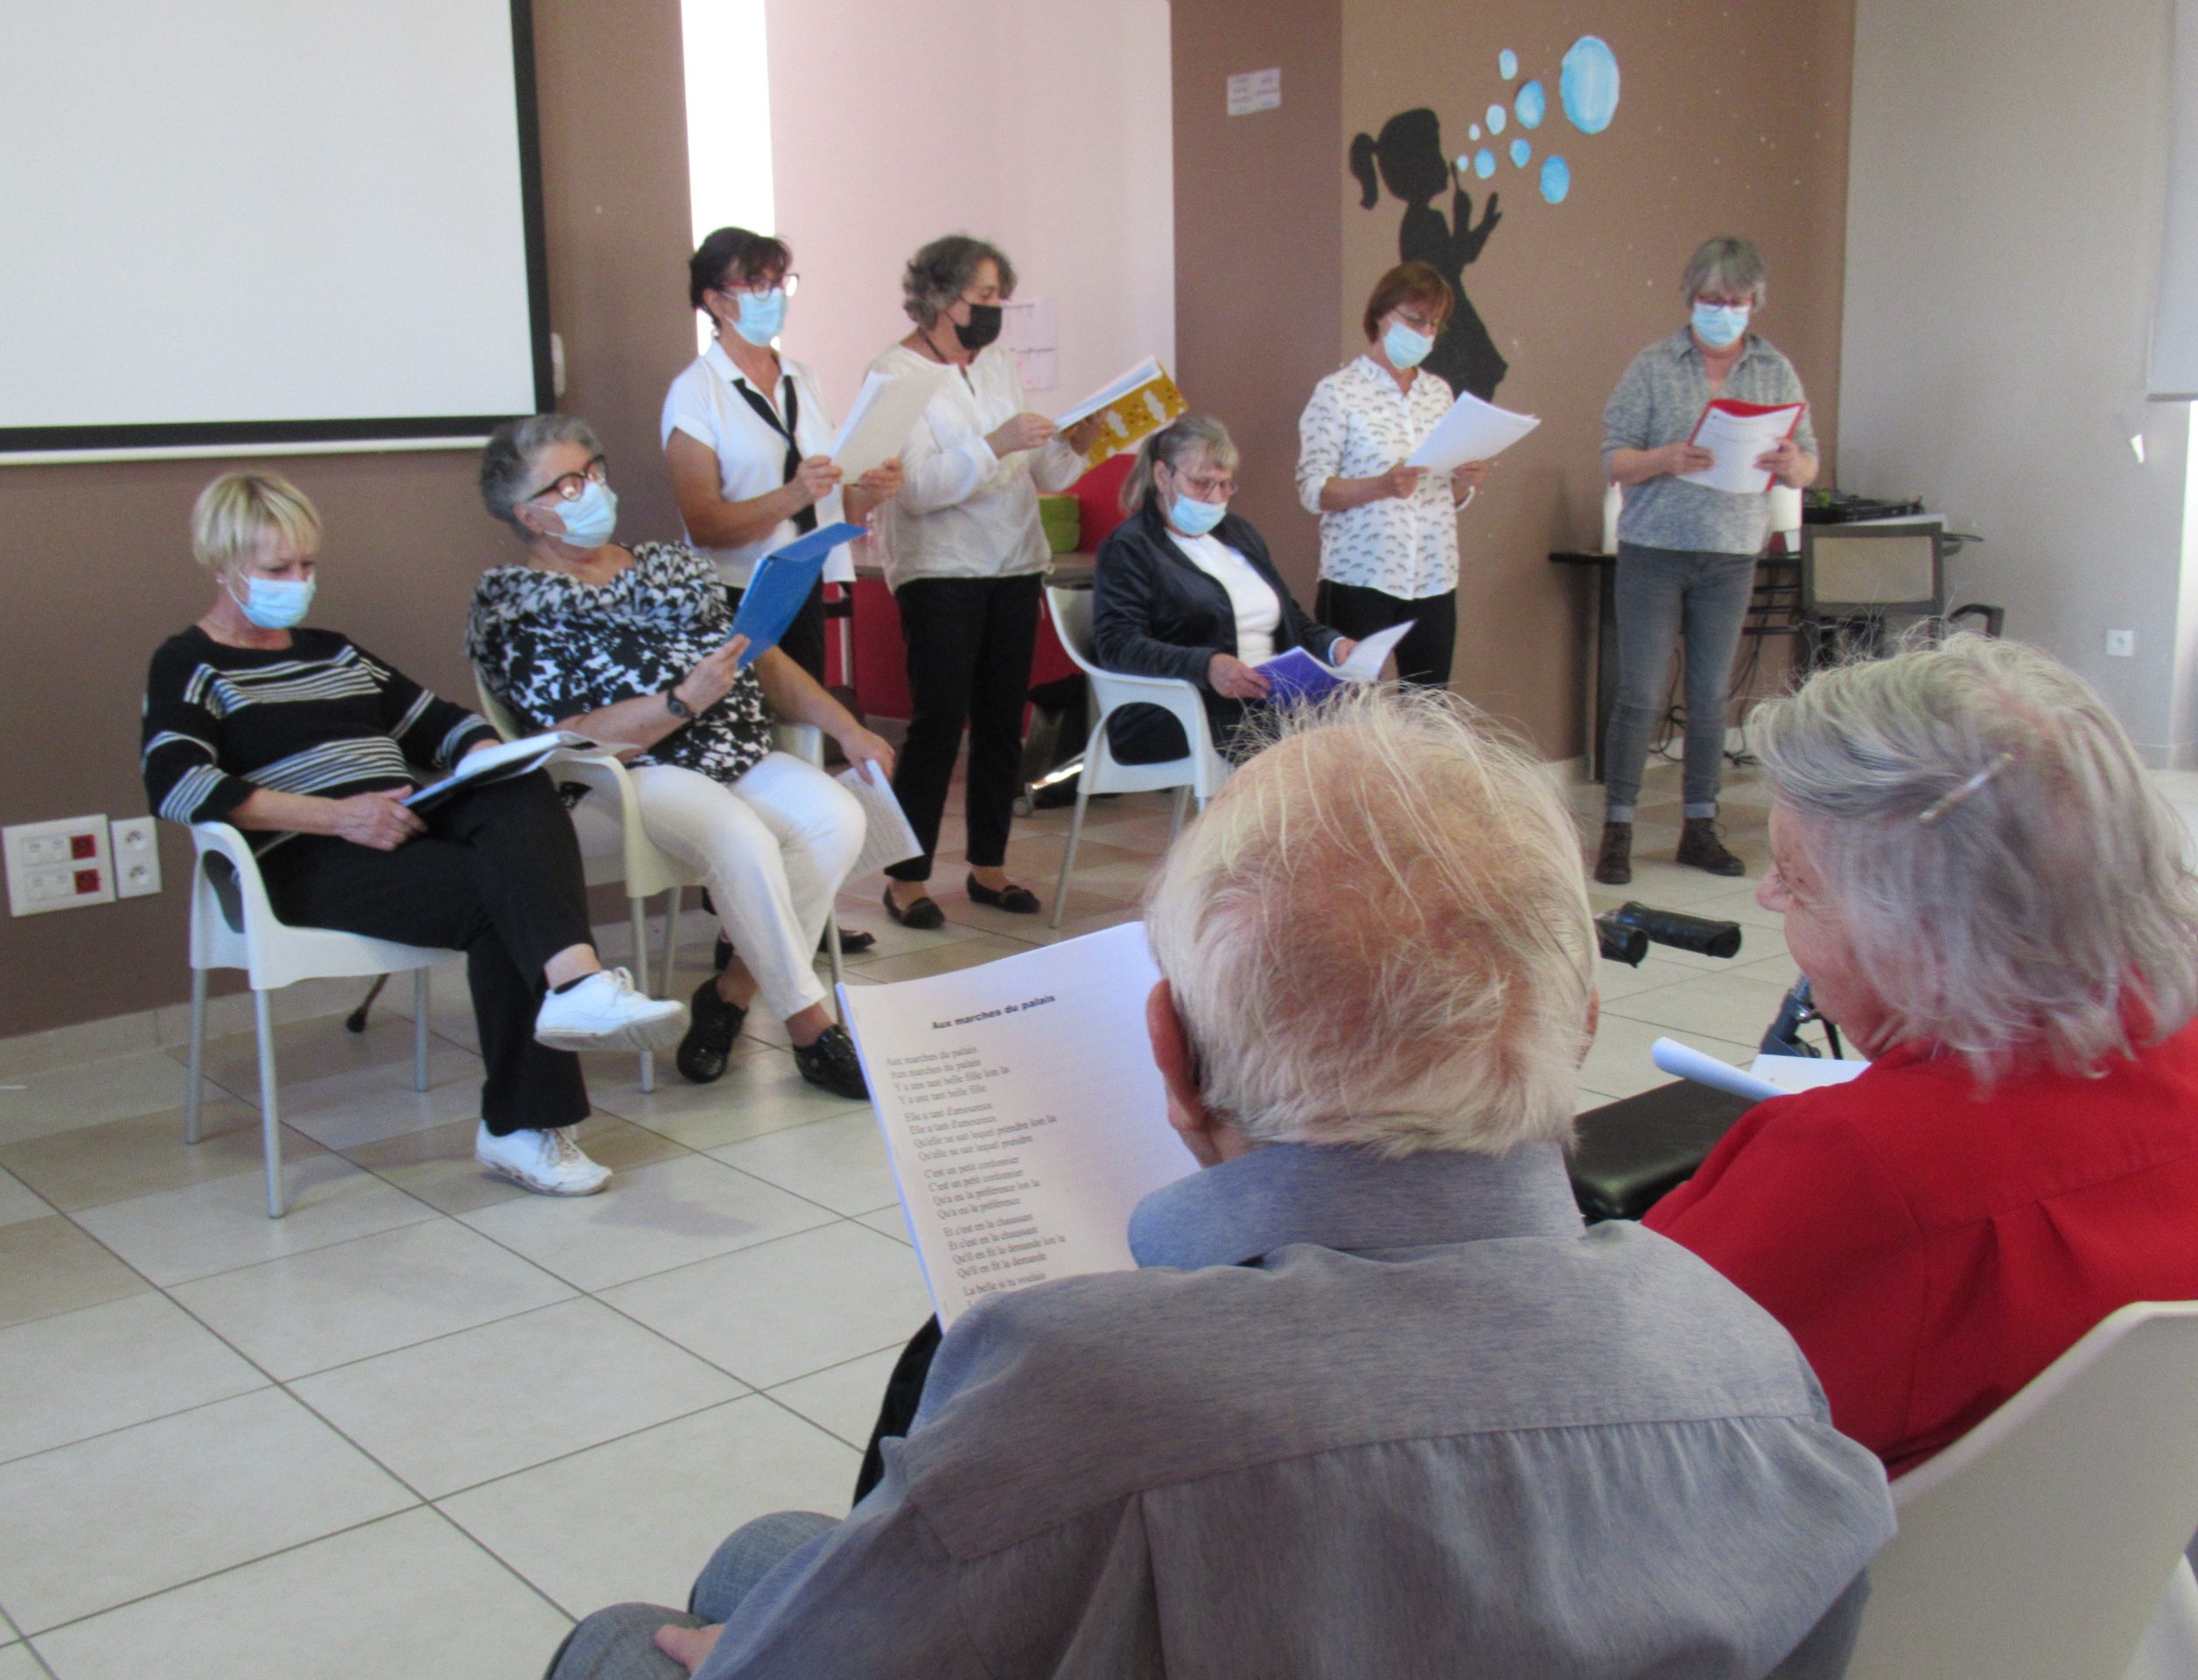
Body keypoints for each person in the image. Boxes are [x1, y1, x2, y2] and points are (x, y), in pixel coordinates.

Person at [542, 689, 1894, 1680]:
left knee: (633, 1634)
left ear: (1172, 1062)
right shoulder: (1756, 1374)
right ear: (1577, 1026)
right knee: (769, 1555)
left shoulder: (1078, 1395)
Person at [1645, 635, 2198, 1478]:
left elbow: (1618, 1405)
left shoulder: (1858, 1168)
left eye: (1796, 880)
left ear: (1921, 932)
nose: (1767, 894)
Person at [143, 471, 685, 1198]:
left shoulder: (333, 651)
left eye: (306, 565)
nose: (297, 584)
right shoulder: (189, 664)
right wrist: (341, 816)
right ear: (223, 565)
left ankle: (576, 986)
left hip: (401, 819)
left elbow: (441, 723)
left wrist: (485, 753)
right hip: (305, 855)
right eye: (276, 570)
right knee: (504, 898)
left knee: (519, 781)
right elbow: (176, 785)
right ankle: (523, 1125)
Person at [467, 415, 891, 1102]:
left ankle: (729, 994)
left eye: (594, 472)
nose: (593, 490)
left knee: (837, 817)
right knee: (740, 837)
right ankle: (812, 1031)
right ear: (528, 513)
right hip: (629, 770)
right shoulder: (514, 606)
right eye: (569, 485)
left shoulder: (672, 566)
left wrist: (847, 730)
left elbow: (760, 660)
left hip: (733, 747)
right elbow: (568, 732)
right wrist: (681, 701)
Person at [662, 226, 904, 961]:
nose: (773, 297)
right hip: (735, 594)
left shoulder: (801, 377)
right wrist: (794, 492)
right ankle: (740, 925)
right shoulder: (696, 391)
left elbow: (827, 500)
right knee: (743, 757)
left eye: (780, 282)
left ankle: (803, 910)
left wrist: (867, 492)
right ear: (715, 300)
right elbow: (705, 523)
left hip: (806, 577)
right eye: (755, 284)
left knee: (800, 749)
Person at [868, 234, 1101, 930]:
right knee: (939, 723)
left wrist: (1078, 444)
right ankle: (906, 878)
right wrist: (996, 442)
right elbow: (916, 491)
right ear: (941, 297)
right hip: (940, 568)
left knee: (1003, 722)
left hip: (1015, 561)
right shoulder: (893, 373)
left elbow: (1042, 471)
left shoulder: (997, 365)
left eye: (1001, 296)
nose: (997, 310)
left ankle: (988, 865)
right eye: (986, 296)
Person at [1595, 234, 1819, 886]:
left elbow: (1807, 463)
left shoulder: (1774, 370)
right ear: (1691, 298)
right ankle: (1617, 828)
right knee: (1640, 693)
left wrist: (1791, 464)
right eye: (1711, 300)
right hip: (1654, 551)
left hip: (1731, 554)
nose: (1723, 311)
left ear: (1755, 302)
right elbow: (1615, 459)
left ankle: (1700, 826)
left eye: (1735, 301)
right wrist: (1666, 458)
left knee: (1710, 695)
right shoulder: (1653, 366)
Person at [1094, 413, 1353, 765]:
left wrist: (1335, 646)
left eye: (1225, 484)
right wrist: (1207, 666)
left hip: (1265, 697)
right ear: (1163, 475)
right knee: (1305, 746)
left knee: (1359, 724)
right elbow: (1118, 645)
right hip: (1180, 706)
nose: (1215, 497)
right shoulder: (1130, 547)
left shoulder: (1238, 533)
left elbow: (1290, 618)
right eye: (1202, 483)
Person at [1296, 260, 1490, 691]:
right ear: (1381, 313)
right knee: (1352, 705)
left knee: (1429, 706)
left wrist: (1464, 482)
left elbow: (1445, 492)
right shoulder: (1338, 392)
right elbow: (1312, 489)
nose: (1424, 333)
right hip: (1361, 575)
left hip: (1433, 574)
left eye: (1434, 324)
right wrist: (1380, 486)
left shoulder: (1437, 393)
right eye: (1415, 319)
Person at [1348, 109, 1506, 400]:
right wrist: (1470, 222)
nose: (1444, 165)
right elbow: (1451, 263)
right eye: (1436, 155)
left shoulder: (1424, 219)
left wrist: (1471, 222)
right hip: (1457, 327)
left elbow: (1454, 258)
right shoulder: (1422, 221)